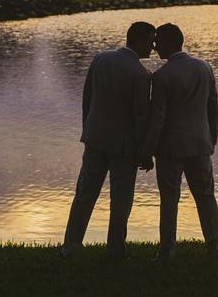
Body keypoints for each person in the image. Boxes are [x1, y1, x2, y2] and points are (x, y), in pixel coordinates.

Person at [61, 21, 156, 260]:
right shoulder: (140, 74)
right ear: (139, 41)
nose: (153, 48)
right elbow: (141, 116)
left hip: (95, 138)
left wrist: (88, 128)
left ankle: (70, 246)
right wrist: (145, 150)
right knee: (121, 199)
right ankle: (115, 249)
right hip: (123, 145)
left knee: (84, 193)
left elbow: (87, 97)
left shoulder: (100, 59)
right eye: (151, 42)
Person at [141, 23, 218, 260]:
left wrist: (148, 150)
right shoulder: (204, 67)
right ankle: (216, 246)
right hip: (200, 143)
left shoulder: (161, 76)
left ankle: (167, 249)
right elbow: (213, 107)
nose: (155, 47)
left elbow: (158, 118)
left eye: (159, 42)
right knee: (206, 196)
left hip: (170, 147)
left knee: (169, 199)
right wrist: (211, 138)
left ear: (171, 43)